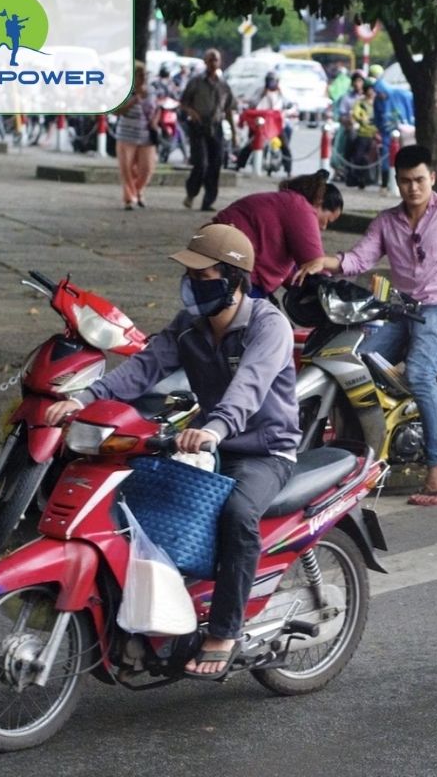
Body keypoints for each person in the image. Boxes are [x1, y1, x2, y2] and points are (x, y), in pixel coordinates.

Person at [43, 225, 300, 677]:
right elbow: (142, 369)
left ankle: (225, 630)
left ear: (235, 281)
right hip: (206, 445)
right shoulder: (189, 327)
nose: (192, 285)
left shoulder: (268, 325)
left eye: (204, 277)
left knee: (238, 515)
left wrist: (216, 427)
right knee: (135, 500)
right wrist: (84, 400)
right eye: (190, 275)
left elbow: (250, 387)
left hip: (264, 451)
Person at [292, 146, 437, 506]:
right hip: (403, 313)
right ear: (397, 183)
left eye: (419, 180)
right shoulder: (387, 221)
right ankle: (359, 454)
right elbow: (360, 258)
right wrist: (322, 261)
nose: (413, 188)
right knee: (354, 362)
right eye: (405, 182)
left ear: (432, 178)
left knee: (418, 373)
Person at [212, 171, 344, 300]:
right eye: (327, 220)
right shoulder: (300, 207)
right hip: (232, 275)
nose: (324, 227)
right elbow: (314, 263)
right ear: (319, 204)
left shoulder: (283, 200)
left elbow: (292, 271)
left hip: (215, 259)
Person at [180, 48, 238, 212]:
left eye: (216, 60)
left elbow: (228, 110)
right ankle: (191, 192)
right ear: (205, 62)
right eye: (210, 60)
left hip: (216, 126)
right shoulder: (196, 82)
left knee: (216, 163)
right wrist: (192, 112)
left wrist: (234, 134)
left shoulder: (224, 85)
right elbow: (184, 103)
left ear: (220, 62)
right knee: (201, 164)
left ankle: (208, 201)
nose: (213, 63)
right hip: (198, 126)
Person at [112, 61, 158, 211]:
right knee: (127, 168)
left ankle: (138, 190)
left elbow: (158, 108)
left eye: (145, 75)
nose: (143, 78)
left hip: (146, 135)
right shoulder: (123, 90)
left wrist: (154, 122)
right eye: (139, 75)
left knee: (147, 168)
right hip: (126, 135)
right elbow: (115, 111)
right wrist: (132, 102)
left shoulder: (151, 91)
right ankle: (129, 197)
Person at [235, 71, 296, 177]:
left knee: (285, 147)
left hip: (276, 126)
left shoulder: (281, 94)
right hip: (261, 126)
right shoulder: (260, 92)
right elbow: (252, 104)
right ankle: (239, 165)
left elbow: (288, 105)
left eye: (273, 81)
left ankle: (288, 170)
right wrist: (263, 94)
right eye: (269, 81)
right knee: (250, 145)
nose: (271, 83)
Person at [347, 80, 380, 188]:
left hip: (377, 135)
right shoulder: (361, 103)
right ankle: (359, 178)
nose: (372, 92)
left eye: (373, 89)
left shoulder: (379, 102)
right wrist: (362, 119)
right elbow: (356, 114)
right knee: (359, 157)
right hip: (363, 134)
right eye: (370, 89)